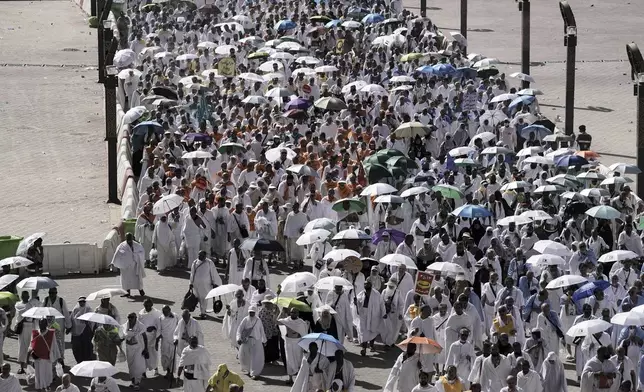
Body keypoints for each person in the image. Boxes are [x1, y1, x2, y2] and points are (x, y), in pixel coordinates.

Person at [29, 318, 61, 392]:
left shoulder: (51, 333)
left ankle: (47, 388)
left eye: (43, 324)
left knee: (47, 376)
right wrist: (30, 355)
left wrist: (58, 357)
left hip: (47, 359)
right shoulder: (35, 333)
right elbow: (31, 345)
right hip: (38, 359)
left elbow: (54, 345)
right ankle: (40, 389)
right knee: (39, 375)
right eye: (40, 323)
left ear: (46, 324)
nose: (41, 325)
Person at [278, 308, 309, 385]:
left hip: (298, 342)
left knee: (298, 360)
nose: (294, 314)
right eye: (292, 312)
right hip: (288, 342)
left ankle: (299, 380)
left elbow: (304, 335)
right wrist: (280, 312)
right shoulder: (287, 321)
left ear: (298, 314)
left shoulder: (301, 323)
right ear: (290, 313)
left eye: (295, 312)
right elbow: (276, 321)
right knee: (289, 360)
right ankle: (290, 378)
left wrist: (305, 347)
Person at [356, 280, 386, 356]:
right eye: (365, 284)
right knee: (363, 332)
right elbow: (358, 303)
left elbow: (382, 304)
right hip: (364, 315)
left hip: (374, 315)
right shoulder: (361, 293)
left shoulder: (376, 294)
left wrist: (384, 313)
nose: (366, 285)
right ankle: (364, 348)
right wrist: (355, 302)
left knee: (373, 331)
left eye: (368, 284)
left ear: (371, 285)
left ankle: (372, 345)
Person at [111, 233, 146, 297]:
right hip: (125, 266)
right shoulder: (122, 246)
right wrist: (113, 262)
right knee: (126, 280)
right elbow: (117, 254)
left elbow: (142, 253)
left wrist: (136, 255)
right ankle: (127, 292)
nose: (129, 241)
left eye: (130, 239)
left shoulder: (137, 245)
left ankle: (141, 291)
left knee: (137, 279)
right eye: (128, 239)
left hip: (135, 266)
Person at [190, 250, 222, 319]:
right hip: (196, 284)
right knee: (199, 298)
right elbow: (192, 273)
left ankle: (203, 313)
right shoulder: (195, 262)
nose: (199, 256)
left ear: (205, 256)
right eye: (199, 255)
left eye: (201, 255)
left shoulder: (209, 262)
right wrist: (191, 283)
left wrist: (215, 282)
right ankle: (203, 310)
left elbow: (213, 273)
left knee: (204, 298)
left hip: (206, 285)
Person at [237, 305, 267, 380]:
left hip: (256, 341)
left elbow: (262, 331)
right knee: (246, 356)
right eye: (250, 312)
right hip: (246, 341)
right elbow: (239, 330)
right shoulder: (245, 320)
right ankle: (248, 370)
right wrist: (238, 338)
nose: (251, 314)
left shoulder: (258, 320)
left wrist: (264, 340)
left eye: (253, 312)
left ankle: (255, 373)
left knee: (255, 357)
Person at [15, 290, 40, 373]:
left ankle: (31, 365)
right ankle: (21, 367)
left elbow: (35, 316)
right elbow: (19, 316)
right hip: (22, 327)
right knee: (22, 346)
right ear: (21, 296)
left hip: (31, 327)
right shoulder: (18, 304)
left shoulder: (31, 304)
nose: (25, 297)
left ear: (28, 296)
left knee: (32, 346)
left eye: (27, 296)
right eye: (24, 295)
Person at [123, 312, 148, 390]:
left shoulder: (141, 326)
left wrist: (146, 348)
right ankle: (133, 381)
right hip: (129, 348)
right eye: (129, 317)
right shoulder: (125, 326)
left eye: (132, 317)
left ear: (135, 318)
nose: (130, 319)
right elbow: (122, 335)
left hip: (138, 348)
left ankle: (137, 383)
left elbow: (145, 337)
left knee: (137, 365)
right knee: (131, 365)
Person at [138, 298, 162, 375]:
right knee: (143, 353)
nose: (147, 307)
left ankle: (156, 369)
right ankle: (143, 371)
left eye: (148, 305)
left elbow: (160, 326)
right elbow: (139, 325)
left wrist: (154, 328)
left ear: (152, 305)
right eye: (145, 305)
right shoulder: (141, 313)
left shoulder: (157, 313)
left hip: (153, 337)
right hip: (143, 337)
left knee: (153, 353)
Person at [70, 296, 93, 363]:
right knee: (77, 350)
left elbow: (92, 321)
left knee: (86, 349)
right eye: (80, 302)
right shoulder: (76, 309)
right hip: (76, 333)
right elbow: (72, 320)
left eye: (83, 301)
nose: (82, 303)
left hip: (86, 332)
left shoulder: (89, 309)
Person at [158, 305, 178, 378]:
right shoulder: (161, 318)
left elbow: (178, 327)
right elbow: (159, 329)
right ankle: (167, 371)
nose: (165, 313)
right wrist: (157, 340)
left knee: (172, 357)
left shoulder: (175, 316)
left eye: (166, 312)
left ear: (170, 310)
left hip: (173, 340)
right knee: (165, 357)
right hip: (164, 341)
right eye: (163, 312)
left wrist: (177, 338)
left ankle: (171, 373)